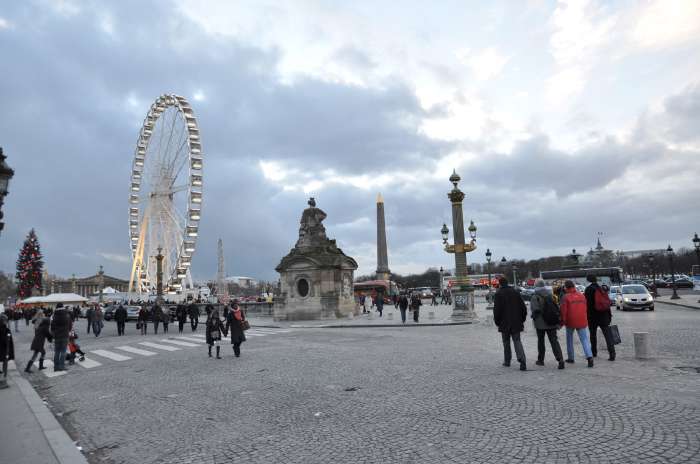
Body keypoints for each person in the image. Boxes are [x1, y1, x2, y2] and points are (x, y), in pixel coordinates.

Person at [493, 277, 528, 371]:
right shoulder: (515, 292)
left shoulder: (498, 294)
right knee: (517, 341)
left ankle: (507, 360)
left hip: (504, 322)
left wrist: (497, 321)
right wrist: (522, 319)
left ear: (500, 284)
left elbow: (496, 310)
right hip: (516, 321)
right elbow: (523, 308)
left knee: (506, 342)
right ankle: (522, 360)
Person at [529, 279, 565, 369]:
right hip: (552, 322)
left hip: (540, 324)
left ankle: (541, 360)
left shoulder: (535, 296)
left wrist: (533, 316)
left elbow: (535, 310)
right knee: (554, 341)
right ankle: (560, 359)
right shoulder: (550, 295)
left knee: (541, 341)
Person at [560, 280, 594, 367]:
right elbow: (585, 308)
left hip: (570, 320)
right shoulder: (581, 295)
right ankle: (589, 357)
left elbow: (564, 311)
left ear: (566, 287)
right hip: (582, 319)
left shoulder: (565, 297)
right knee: (584, 340)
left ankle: (571, 357)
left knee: (569, 339)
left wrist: (562, 322)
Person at [584, 275, 616, 361]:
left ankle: (594, 352)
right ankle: (612, 354)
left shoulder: (588, 289)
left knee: (593, 335)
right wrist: (609, 315)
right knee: (607, 335)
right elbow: (607, 302)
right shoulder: (601, 288)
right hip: (604, 315)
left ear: (588, 280)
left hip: (592, 316)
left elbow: (587, 304)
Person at [50, 304, 71, 372]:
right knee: (63, 352)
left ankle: (56, 367)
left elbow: (52, 327)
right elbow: (70, 326)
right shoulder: (67, 315)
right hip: (65, 335)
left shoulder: (54, 316)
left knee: (57, 352)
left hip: (57, 336)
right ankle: (62, 366)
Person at [0, 314, 14, 387]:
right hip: (4, 351)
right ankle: (3, 382)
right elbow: (6, 341)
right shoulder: (5, 330)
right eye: (6, 320)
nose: (7, 322)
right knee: (5, 365)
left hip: (2, 350)